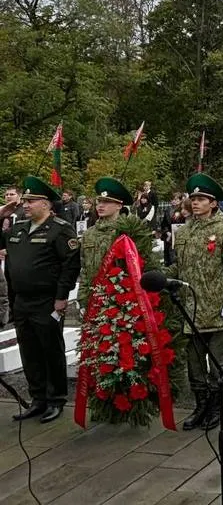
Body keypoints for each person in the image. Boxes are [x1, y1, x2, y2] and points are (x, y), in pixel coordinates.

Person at [166, 173, 223, 431]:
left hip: (217, 308)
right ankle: (200, 406)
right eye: (193, 198)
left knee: (217, 364)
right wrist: (158, 276)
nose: (195, 202)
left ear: (213, 203)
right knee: (195, 365)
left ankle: (215, 410)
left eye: (201, 199)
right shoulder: (185, 232)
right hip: (191, 308)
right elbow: (178, 265)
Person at [1, 176, 80, 423]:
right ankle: (38, 399)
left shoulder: (60, 229)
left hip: (47, 300)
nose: (26, 205)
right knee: (29, 350)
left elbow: (70, 265)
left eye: (31, 200)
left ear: (45, 203)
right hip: (22, 300)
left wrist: (61, 297)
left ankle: (55, 399)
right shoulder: (18, 228)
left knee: (50, 349)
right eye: (24, 200)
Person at [77, 178, 134, 307]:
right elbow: (84, 268)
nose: (100, 206)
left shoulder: (128, 232)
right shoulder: (89, 234)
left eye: (107, 202)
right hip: (93, 298)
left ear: (119, 205)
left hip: (121, 299)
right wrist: (82, 298)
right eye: (99, 202)